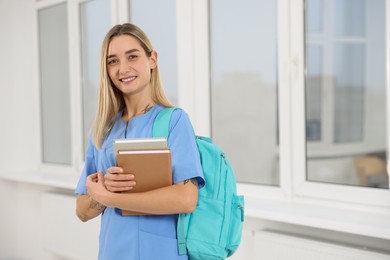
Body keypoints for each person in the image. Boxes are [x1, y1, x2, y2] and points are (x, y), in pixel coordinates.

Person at [75, 23, 204, 260]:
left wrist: (109, 197)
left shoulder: (173, 121)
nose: (123, 68)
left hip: (160, 253)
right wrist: (100, 193)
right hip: (112, 252)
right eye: (113, 61)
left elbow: (186, 199)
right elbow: (82, 211)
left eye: (132, 56)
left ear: (152, 59)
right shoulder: (103, 129)